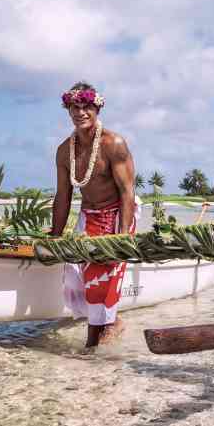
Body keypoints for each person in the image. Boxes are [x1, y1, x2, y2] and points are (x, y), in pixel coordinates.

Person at [50, 81, 138, 349]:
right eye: (74, 107)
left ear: (97, 108)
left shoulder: (114, 144)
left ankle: (91, 345)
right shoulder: (65, 151)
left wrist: (120, 239)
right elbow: (63, 195)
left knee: (100, 279)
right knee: (76, 276)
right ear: (68, 110)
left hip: (118, 214)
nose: (80, 112)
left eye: (86, 106)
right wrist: (54, 235)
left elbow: (127, 193)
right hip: (88, 216)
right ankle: (112, 323)